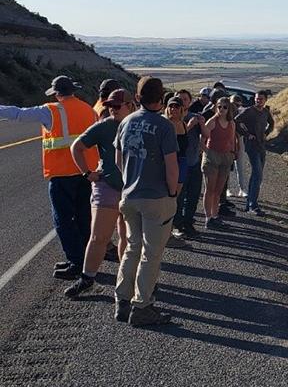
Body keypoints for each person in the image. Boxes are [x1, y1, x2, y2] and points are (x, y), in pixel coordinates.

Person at [0, 75, 99, 279]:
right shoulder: (88, 109)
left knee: (63, 221)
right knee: (84, 217)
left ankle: (76, 262)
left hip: (63, 174)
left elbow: (18, 114)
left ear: (56, 93)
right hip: (86, 172)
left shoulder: (52, 110)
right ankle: (85, 261)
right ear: (73, 90)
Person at [114, 76, 179, 327]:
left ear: (138, 97)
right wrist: (172, 192)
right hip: (156, 197)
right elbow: (171, 166)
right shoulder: (164, 127)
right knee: (151, 254)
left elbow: (119, 160)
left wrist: (129, 181)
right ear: (161, 99)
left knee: (132, 247)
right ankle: (142, 306)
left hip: (130, 195)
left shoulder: (126, 122)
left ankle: (122, 299)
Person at [65, 89, 135, 298]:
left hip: (132, 189)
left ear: (131, 105)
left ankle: (126, 279)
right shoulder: (104, 127)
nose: (112, 109)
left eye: (117, 106)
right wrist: (87, 173)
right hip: (107, 187)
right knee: (99, 237)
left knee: (127, 237)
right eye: (110, 106)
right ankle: (88, 279)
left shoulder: (137, 125)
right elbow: (76, 147)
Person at [200, 96, 237, 229]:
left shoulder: (232, 123)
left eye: (224, 107)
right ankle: (208, 217)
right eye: (219, 106)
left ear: (229, 109)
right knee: (209, 189)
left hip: (226, 157)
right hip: (212, 156)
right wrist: (207, 153)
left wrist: (232, 153)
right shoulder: (212, 121)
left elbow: (232, 140)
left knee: (218, 190)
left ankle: (215, 216)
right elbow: (202, 139)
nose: (221, 109)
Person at [172, 89, 204, 240]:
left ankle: (188, 222)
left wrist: (201, 123)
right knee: (179, 196)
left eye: (185, 99)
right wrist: (189, 126)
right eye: (179, 99)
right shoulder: (172, 120)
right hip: (178, 164)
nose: (182, 102)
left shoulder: (194, 117)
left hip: (193, 162)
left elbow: (206, 135)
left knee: (193, 195)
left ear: (190, 102)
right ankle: (177, 225)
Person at [235, 91, 273, 215]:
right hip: (251, 146)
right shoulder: (249, 111)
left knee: (257, 175)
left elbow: (271, 123)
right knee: (258, 174)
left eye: (261, 99)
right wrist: (247, 134)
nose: (258, 101)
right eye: (257, 99)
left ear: (265, 100)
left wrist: (266, 133)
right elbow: (236, 121)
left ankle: (249, 203)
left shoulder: (266, 112)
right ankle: (253, 205)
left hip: (262, 146)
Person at [229, 94, 249, 200]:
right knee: (227, 166)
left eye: (238, 105)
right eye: (234, 104)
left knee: (240, 165)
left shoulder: (242, 113)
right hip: (227, 140)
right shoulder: (226, 113)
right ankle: (227, 189)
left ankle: (242, 189)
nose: (235, 107)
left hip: (239, 140)